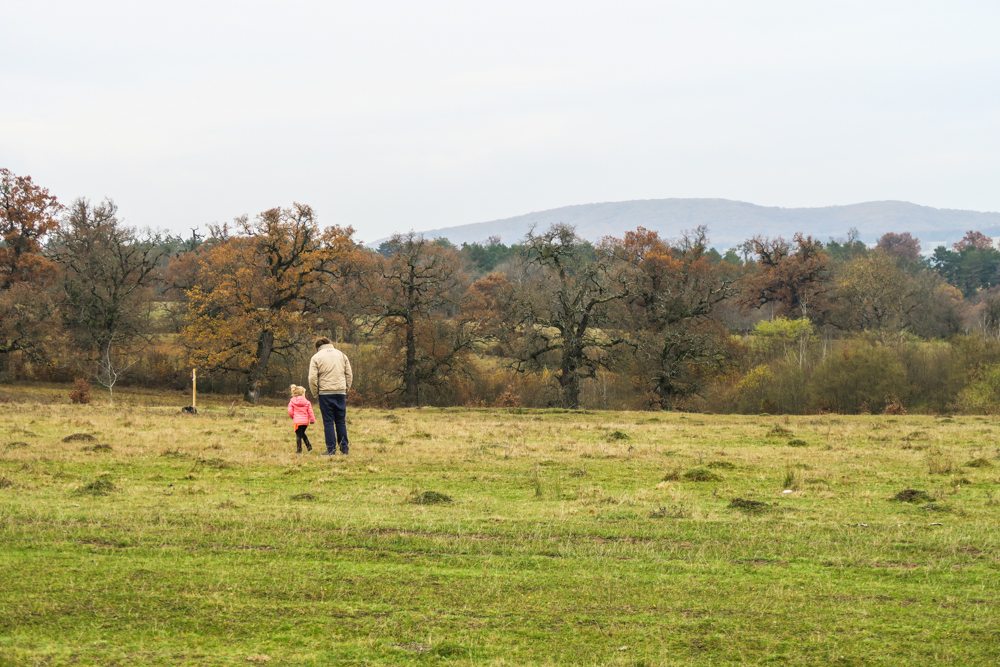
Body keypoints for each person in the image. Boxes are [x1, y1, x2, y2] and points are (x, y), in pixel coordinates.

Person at [308, 337, 353, 456]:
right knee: (341, 422)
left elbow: (312, 378)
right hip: (340, 392)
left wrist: (315, 393)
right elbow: (349, 374)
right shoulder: (342, 355)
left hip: (325, 393)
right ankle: (344, 449)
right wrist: (345, 388)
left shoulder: (316, 357)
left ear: (318, 347)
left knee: (328, 422)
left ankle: (331, 449)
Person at [286, 384, 315, 453]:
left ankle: (299, 449)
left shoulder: (292, 401)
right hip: (305, 422)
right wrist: (312, 419)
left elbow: (290, 411)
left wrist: (293, 416)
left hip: (297, 421)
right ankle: (309, 446)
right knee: (302, 433)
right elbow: (310, 411)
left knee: (299, 435)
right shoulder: (307, 402)